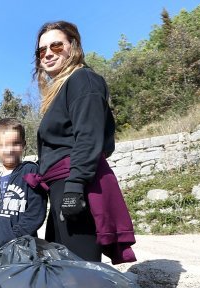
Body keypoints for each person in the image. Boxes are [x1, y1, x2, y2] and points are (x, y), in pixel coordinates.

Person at [25, 20, 136, 263]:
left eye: (56, 46)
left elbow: (88, 136)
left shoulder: (83, 80)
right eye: (42, 50)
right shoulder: (63, 89)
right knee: (66, 268)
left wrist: (75, 187)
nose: (48, 54)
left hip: (74, 182)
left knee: (81, 268)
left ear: (73, 47)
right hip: (61, 184)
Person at [0, 118, 46, 255]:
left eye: (15, 144)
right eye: (3, 145)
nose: (9, 150)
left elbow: (36, 211)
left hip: (23, 251)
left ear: (24, 145)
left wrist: (14, 236)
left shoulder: (30, 172)